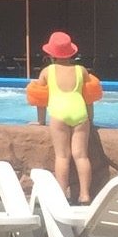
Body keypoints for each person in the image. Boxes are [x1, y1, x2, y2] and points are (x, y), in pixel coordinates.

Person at [26, 31, 102, 205]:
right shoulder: (81, 70)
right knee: (81, 156)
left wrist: (40, 121)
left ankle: (61, 194)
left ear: (51, 54)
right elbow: (89, 98)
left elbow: (40, 99)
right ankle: (85, 195)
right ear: (71, 53)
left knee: (62, 156)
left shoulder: (47, 72)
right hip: (79, 113)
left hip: (59, 114)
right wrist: (90, 118)